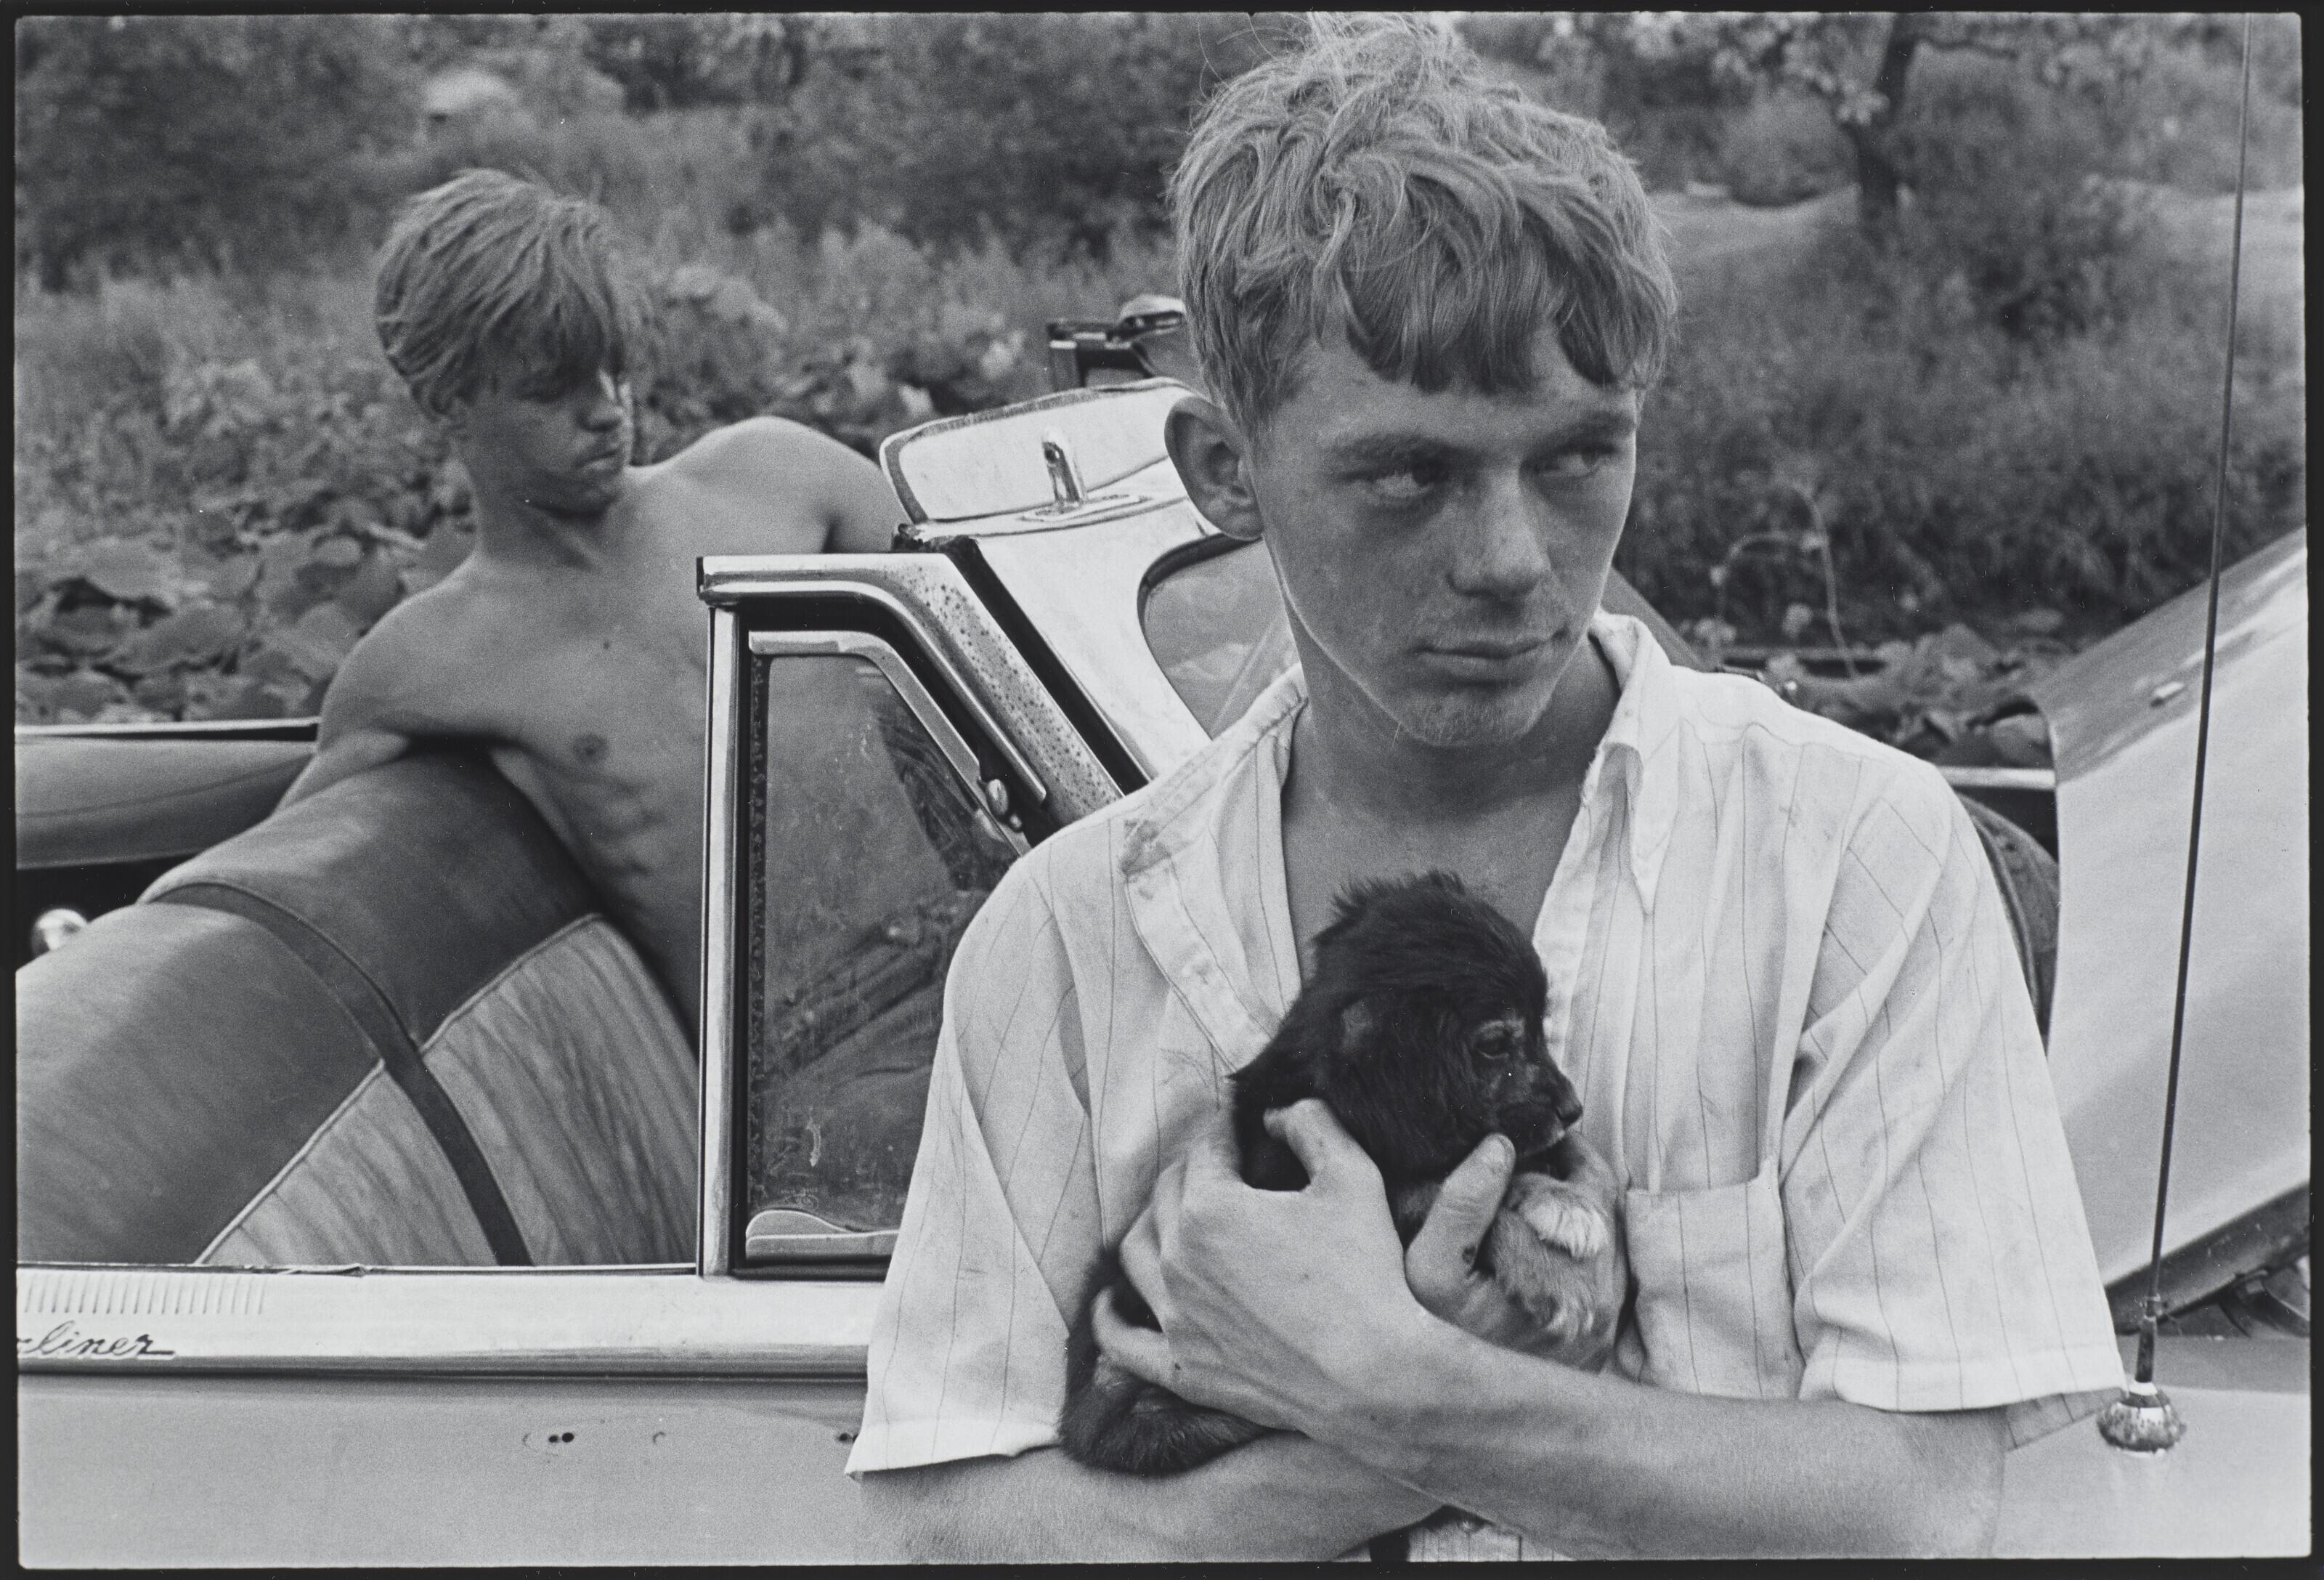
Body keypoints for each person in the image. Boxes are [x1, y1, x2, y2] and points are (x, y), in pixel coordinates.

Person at [847, 17, 2124, 1561]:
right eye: (1408, 475)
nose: (1515, 559)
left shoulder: (1855, 862)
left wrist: (1392, 1382)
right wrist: (1408, 1432)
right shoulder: (1066, 943)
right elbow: (947, 1520)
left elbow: (1919, 1499)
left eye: (1580, 455)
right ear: (1219, 468)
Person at [279, 170, 904, 1035]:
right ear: (446, 402)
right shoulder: (425, 663)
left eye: (615, 371)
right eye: (552, 391)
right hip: (798, 1077)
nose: (607, 411)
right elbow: (268, 884)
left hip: (984, 961)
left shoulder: (783, 482)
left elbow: (1005, 629)